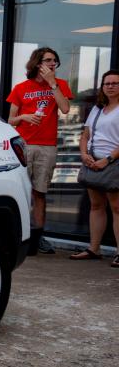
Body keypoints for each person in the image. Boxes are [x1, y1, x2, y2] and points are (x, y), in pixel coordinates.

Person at [7, 47, 73, 254]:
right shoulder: (21, 88)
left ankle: (38, 237)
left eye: (55, 60)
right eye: (48, 60)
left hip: (47, 146)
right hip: (24, 145)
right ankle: (20, 236)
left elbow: (65, 109)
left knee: (40, 193)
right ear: (37, 63)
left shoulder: (60, 85)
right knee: (22, 192)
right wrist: (24, 118)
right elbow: (10, 120)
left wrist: (53, 84)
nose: (53, 64)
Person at [69, 69, 119, 267]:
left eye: (115, 83)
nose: (111, 86)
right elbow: (85, 135)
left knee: (117, 208)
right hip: (93, 162)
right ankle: (93, 248)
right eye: (107, 83)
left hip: (113, 162)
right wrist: (84, 155)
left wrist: (107, 159)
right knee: (96, 206)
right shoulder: (98, 109)